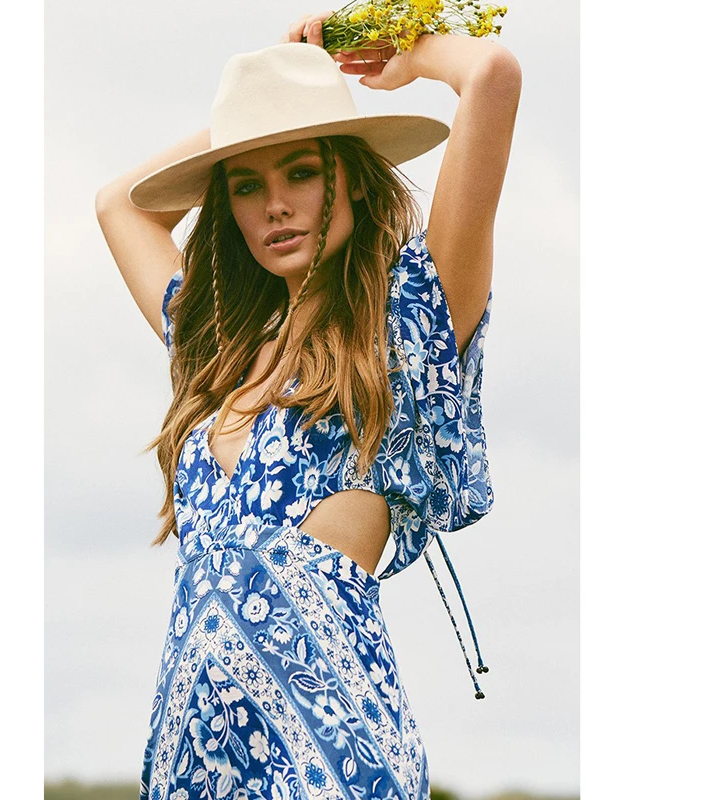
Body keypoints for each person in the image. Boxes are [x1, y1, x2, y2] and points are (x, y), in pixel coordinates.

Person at [96, 11, 521, 800]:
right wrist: (262, 109)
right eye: (245, 186)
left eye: (300, 171)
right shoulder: (215, 350)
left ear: (349, 177)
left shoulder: (409, 327)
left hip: (333, 761)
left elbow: (491, 75)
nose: (274, 205)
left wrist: (385, 53)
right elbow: (119, 205)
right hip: (192, 766)